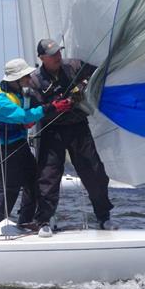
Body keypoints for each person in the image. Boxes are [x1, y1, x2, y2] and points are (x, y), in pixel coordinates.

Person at [0, 58, 73, 239]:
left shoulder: (19, 93)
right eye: (25, 77)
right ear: (15, 79)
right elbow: (21, 116)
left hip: (20, 146)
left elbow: (26, 117)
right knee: (8, 195)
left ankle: (25, 221)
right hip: (4, 152)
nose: (29, 79)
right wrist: (51, 108)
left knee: (34, 183)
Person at [29, 39, 115, 237]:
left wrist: (84, 86)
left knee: (95, 172)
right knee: (48, 177)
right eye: (52, 55)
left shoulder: (74, 66)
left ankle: (104, 217)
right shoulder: (34, 81)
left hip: (78, 127)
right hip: (51, 131)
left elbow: (100, 72)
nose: (57, 56)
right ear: (42, 58)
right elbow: (35, 111)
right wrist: (56, 106)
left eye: (58, 52)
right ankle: (44, 220)